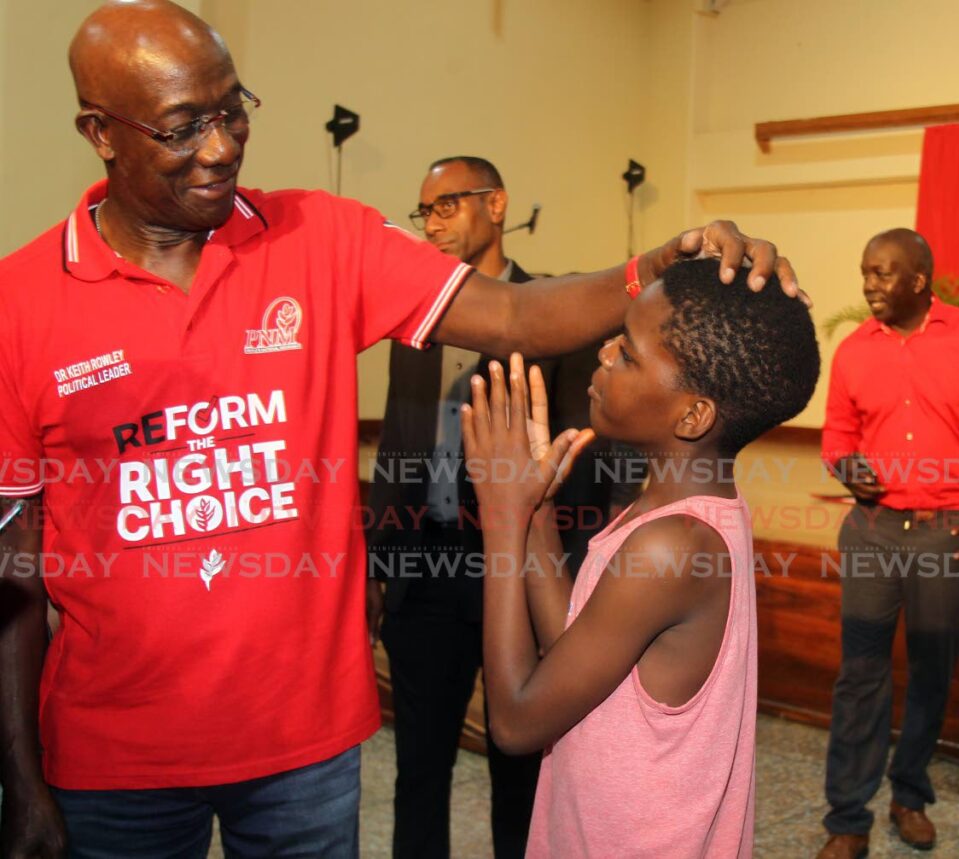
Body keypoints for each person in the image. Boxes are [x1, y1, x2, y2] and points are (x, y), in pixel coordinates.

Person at [0, 2, 797, 856]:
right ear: (100, 131)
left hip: (301, 750)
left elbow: (513, 315)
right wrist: (18, 777)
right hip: (113, 756)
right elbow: (13, 562)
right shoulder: (20, 302)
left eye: (234, 110)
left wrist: (659, 261)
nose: (224, 145)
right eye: (183, 126)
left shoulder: (321, 238)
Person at [460, 258, 820, 857]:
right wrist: (535, 513)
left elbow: (518, 722)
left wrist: (500, 523)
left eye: (627, 353)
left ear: (693, 414)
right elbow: (572, 652)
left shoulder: (670, 546)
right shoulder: (671, 512)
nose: (603, 354)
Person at [366, 155, 615, 858]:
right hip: (426, 568)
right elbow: (397, 444)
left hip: (519, 565)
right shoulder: (414, 321)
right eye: (425, 211)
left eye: (448, 204)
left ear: (497, 205)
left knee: (522, 766)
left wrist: (569, 577)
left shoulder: (552, 310)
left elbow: (579, 457)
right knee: (419, 768)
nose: (433, 222)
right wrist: (378, 562)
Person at [817, 228, 959, 859]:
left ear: (919, 280)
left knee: (931, 675)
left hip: (947, 535)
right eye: (865, 271)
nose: (869, 285)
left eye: (883, 274)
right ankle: (848, 820)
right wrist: (844, 465)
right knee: (859, 676)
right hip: (872, 534)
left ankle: (910, 795)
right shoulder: (854, 350)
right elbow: (836, 435)